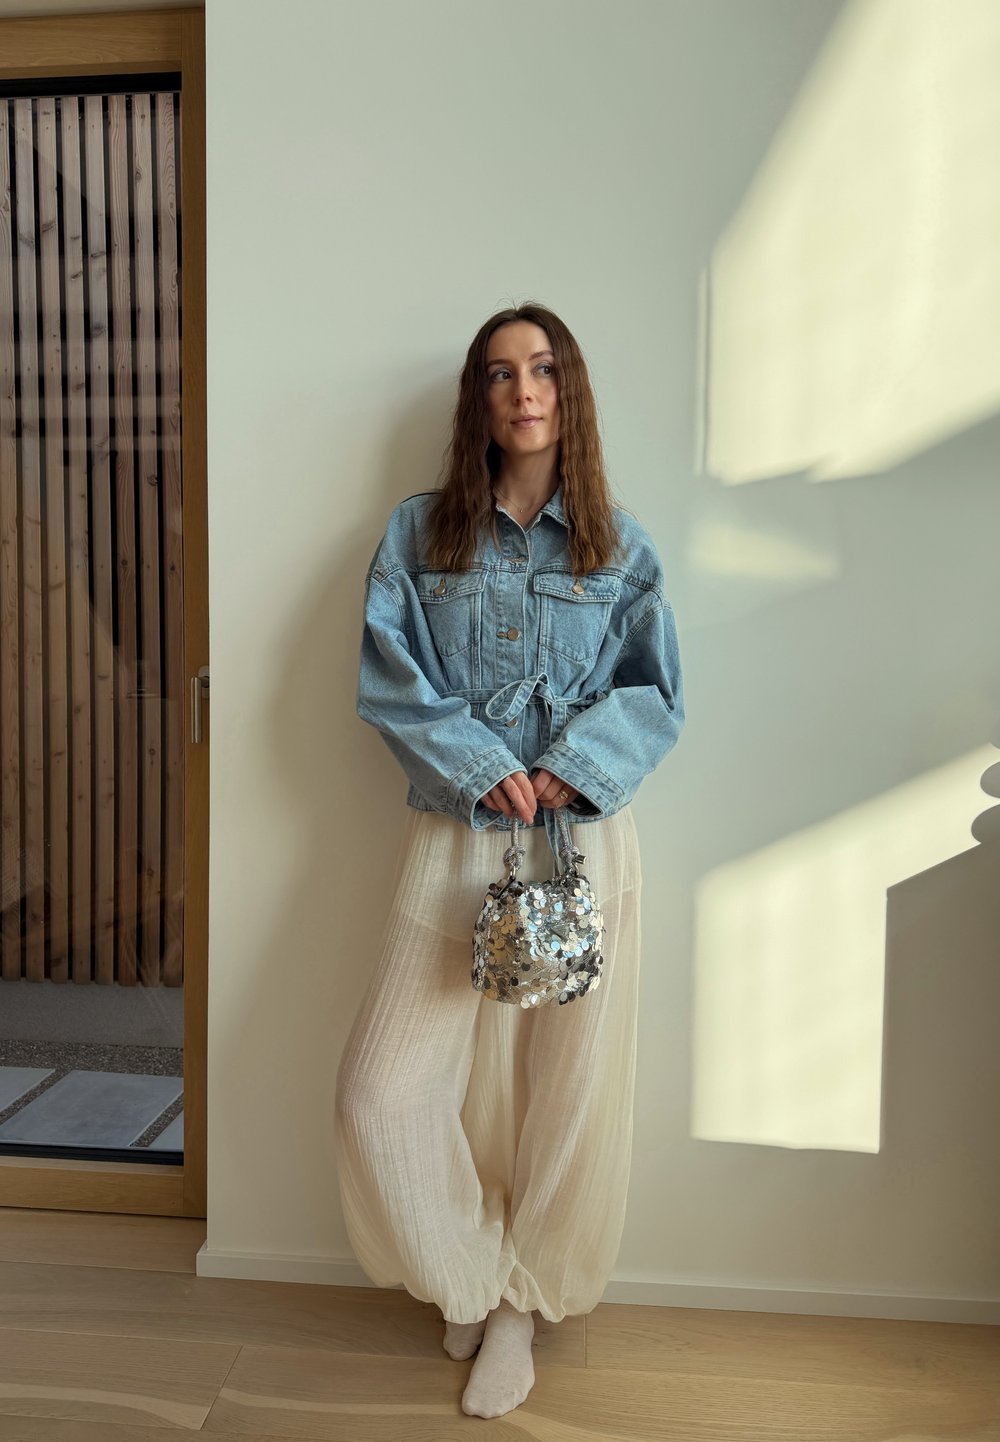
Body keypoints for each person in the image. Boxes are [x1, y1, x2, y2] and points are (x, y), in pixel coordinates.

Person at [334, 301, 683, 1419]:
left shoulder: (619, 543)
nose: (522, 391)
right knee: (380, 1090)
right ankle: (471, 1275)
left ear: (567, 390)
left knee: (568, 1086)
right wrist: (481, 763)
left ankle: (522, 1305)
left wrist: (575, 767)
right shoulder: (420, 531)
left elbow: (656, 693)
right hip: (457, 832)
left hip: (582, 841)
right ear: (476, 400)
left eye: (541, 369)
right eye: (498, 373)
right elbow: (388, 672)